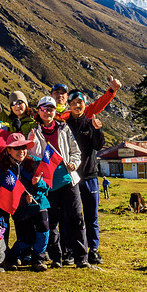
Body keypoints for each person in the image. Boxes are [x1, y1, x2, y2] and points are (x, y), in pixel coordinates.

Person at [31, 96, 89, 269]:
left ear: (55, 111)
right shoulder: (35, 133)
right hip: (49, 183)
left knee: (77, 218)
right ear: (38, 111)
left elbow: (75, 151)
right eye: (44, 108)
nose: (47, 112)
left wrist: (74, 164)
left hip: (68, 180)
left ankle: (82, 257)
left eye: (51, 109)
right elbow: (33, 158)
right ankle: (57, 257)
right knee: (53, 221)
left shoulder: (64, 129)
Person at [65, 88, 107, 265]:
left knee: (92, 216)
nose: (77, 105)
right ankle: (71, 250)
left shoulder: (90, 122)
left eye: (80, 102)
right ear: (69, 105)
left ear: (84, 104)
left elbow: (98, 145)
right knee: (72, 215)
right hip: (71, 176)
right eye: (73, 103)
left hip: (89, 175)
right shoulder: (64, 124)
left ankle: (93, 250)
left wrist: (97, 130)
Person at [0, 133, 50, 272]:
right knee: (26, 238)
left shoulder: (35, 162)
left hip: (39, 203)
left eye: (23, 147)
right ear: (9, 150)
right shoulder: (4, 168)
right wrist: (23, 199)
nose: (21, 151)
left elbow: (47, 186)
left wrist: (39, 183)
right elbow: (4, 190)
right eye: (16, 148)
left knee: (44, 228)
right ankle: (12, 256)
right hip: (20, 207)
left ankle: (38, 258)